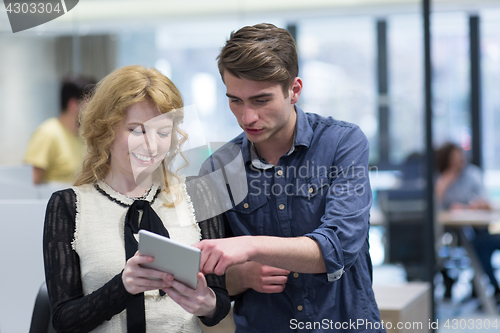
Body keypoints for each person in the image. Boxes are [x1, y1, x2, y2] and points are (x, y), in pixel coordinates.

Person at [195, 23, 384, 332]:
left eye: (261, 100)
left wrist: (251, 246)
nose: (247, 117)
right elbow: (210, 283)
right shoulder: (217, 169)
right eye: (235, 100)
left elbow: (337, 248)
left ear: (294, 90)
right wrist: (244, 275)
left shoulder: (343, 143)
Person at [43, 65, 230, 333]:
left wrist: (206, 303)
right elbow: (64, 320)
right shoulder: (68, 206)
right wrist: (124, 286)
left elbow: (219, 304)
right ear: (106, 130)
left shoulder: (199, 194)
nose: (152, 146)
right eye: (136, 130)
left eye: (162, 133)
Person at [435, 142, 500, 298]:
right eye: (454, 159)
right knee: (475, 246)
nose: (459, 162)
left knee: (479, 244)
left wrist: (466, 207)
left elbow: (485, 202)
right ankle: (451, 279)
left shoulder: (472, 174)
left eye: (461, 158)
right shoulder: (440, 177)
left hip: (475, 227)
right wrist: (446, 179)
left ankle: (486, 288)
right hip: (447, 229)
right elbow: (435, 205)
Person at [24, 76, 96, 184]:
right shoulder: (47, 134)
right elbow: (28, 184)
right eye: (90, 104)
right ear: (73, 104)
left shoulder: (81, 137)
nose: (94, 111)